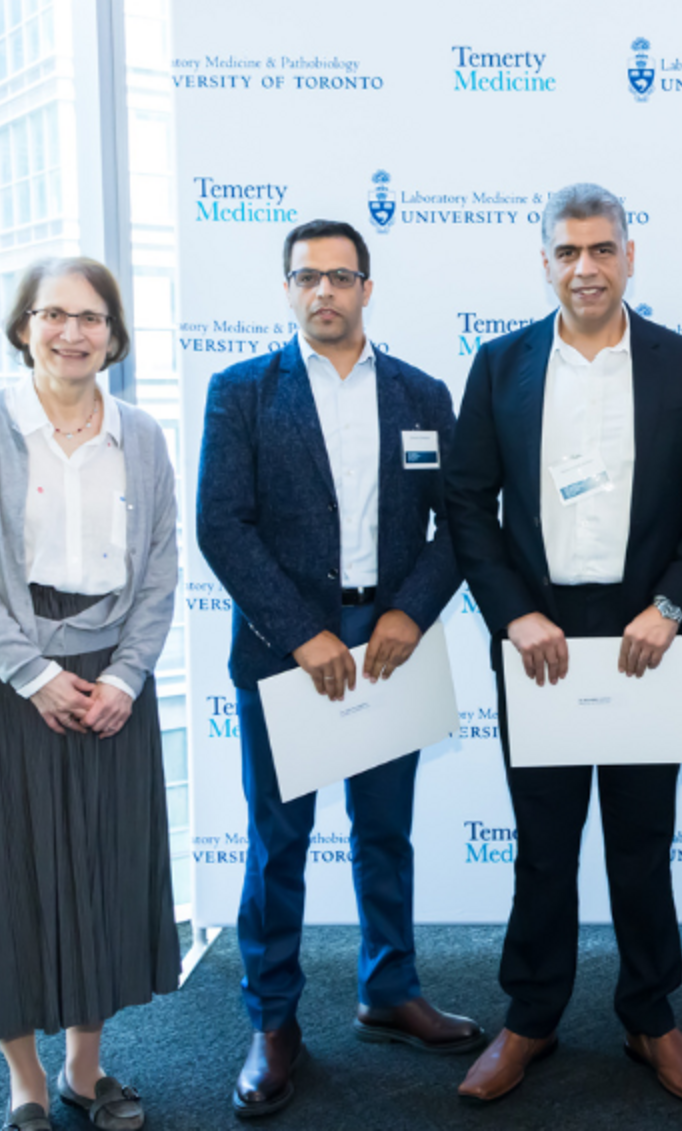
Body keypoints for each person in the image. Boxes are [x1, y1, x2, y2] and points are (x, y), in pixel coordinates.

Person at [445, 183, 682, 1106]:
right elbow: (464, 504)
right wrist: (512, 615)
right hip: (539, 636)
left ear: (629, 256)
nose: (585, 268)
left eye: (601, 250)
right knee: (543, 842)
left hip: (647, 628)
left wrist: (672, 606)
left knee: (643, 842)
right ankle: (530, 1017)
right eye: (568, 252)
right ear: (545, 263)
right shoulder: (498, 367)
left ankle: (650, 1017)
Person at [197, 218, 481, 1119]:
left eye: (340, 276)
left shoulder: (424, 393)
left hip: (393, 638)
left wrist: (408, 611)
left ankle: (389, 991)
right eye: (305, 277)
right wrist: (300, 635)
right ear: (287, 290)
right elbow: (222, 525)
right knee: (278, 845)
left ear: (368, 287)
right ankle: (273, 1023)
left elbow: (461, 522)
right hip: (290, 648)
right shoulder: (241, 391)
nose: (323, 291)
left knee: (384, 834)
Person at [0, 257, 179, 1131]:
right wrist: (30, 674)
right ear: (23, 326)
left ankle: (83, 1069)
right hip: (0, 683)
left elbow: (160, 572)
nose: (73, 332)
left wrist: (126, 677)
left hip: (111, 681)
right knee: (6, 881)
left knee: (99, 878)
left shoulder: (142, 436)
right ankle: (25, 1080)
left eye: (92, 317)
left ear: (114, 334)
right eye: (54, 315)